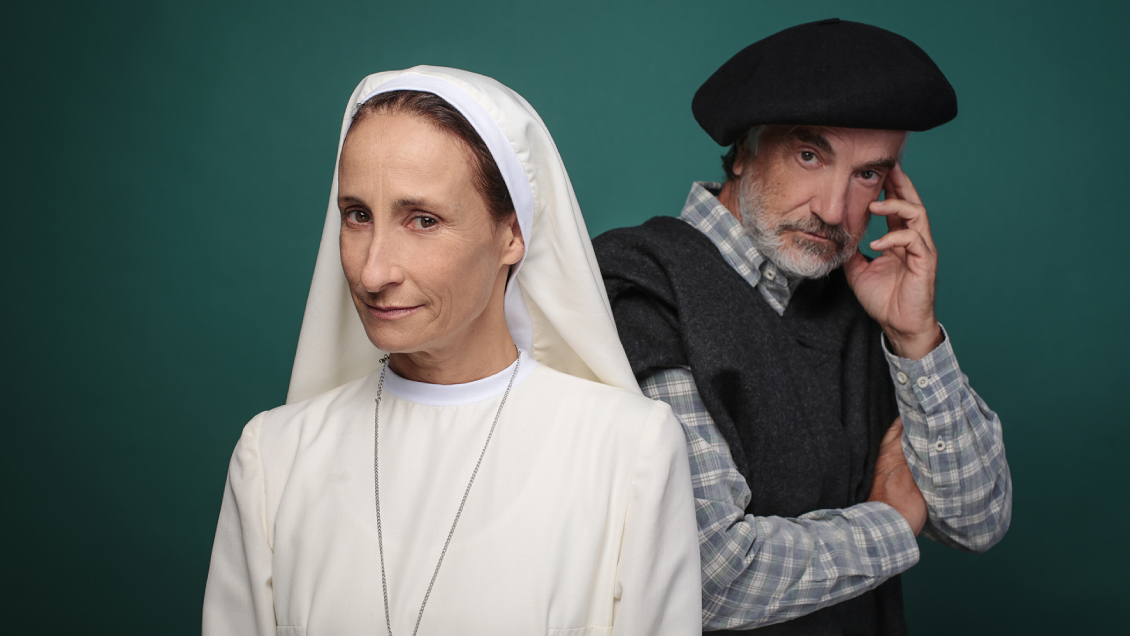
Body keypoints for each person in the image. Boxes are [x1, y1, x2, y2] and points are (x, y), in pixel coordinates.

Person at [202, 66, 700, 635]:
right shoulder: (272, 456)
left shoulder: (629, 450)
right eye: (358, 215)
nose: (373, 272)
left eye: (423, 220)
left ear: (512, 234)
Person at [594, 19, 1012, 634]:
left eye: (868, 174)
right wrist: (893, 523)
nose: (834, 210)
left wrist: (915, 339)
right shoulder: (646, 288)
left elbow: (977, 520)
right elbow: (706, 576)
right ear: (744, 150)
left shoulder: (862, 298)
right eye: (810, 156)